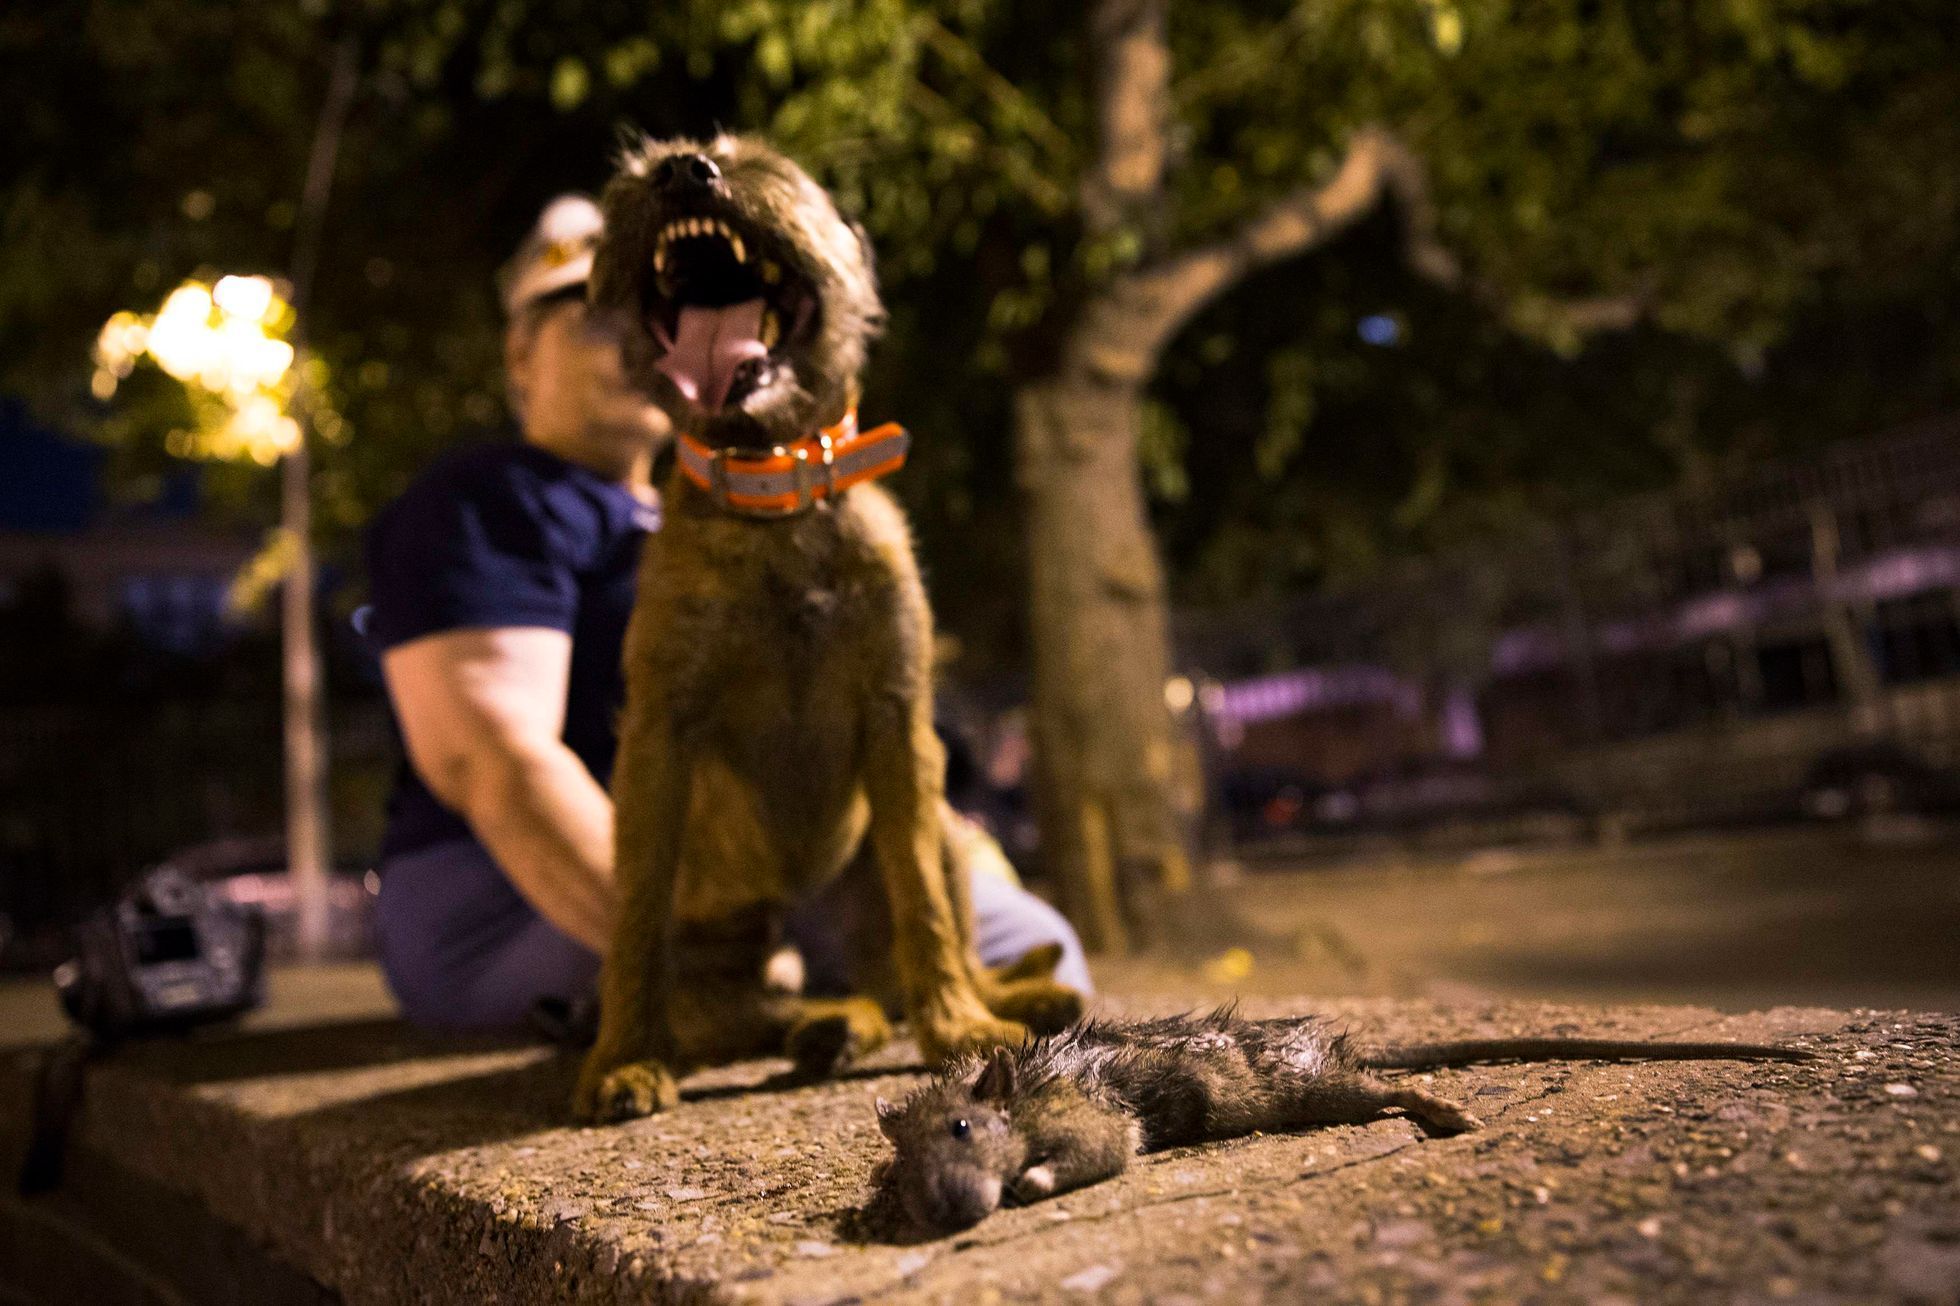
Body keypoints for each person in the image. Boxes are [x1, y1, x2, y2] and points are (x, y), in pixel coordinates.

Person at [365, 196, 1090, 1033]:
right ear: (520, 349)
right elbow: (494, 760)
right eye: (597, 321)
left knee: (1034, 952)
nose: (638, 347)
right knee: (988, 969)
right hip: (515, 895)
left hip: (756, 866)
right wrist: (711, 958)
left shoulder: (713, 503)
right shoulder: (490, 498)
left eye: (658, 323)